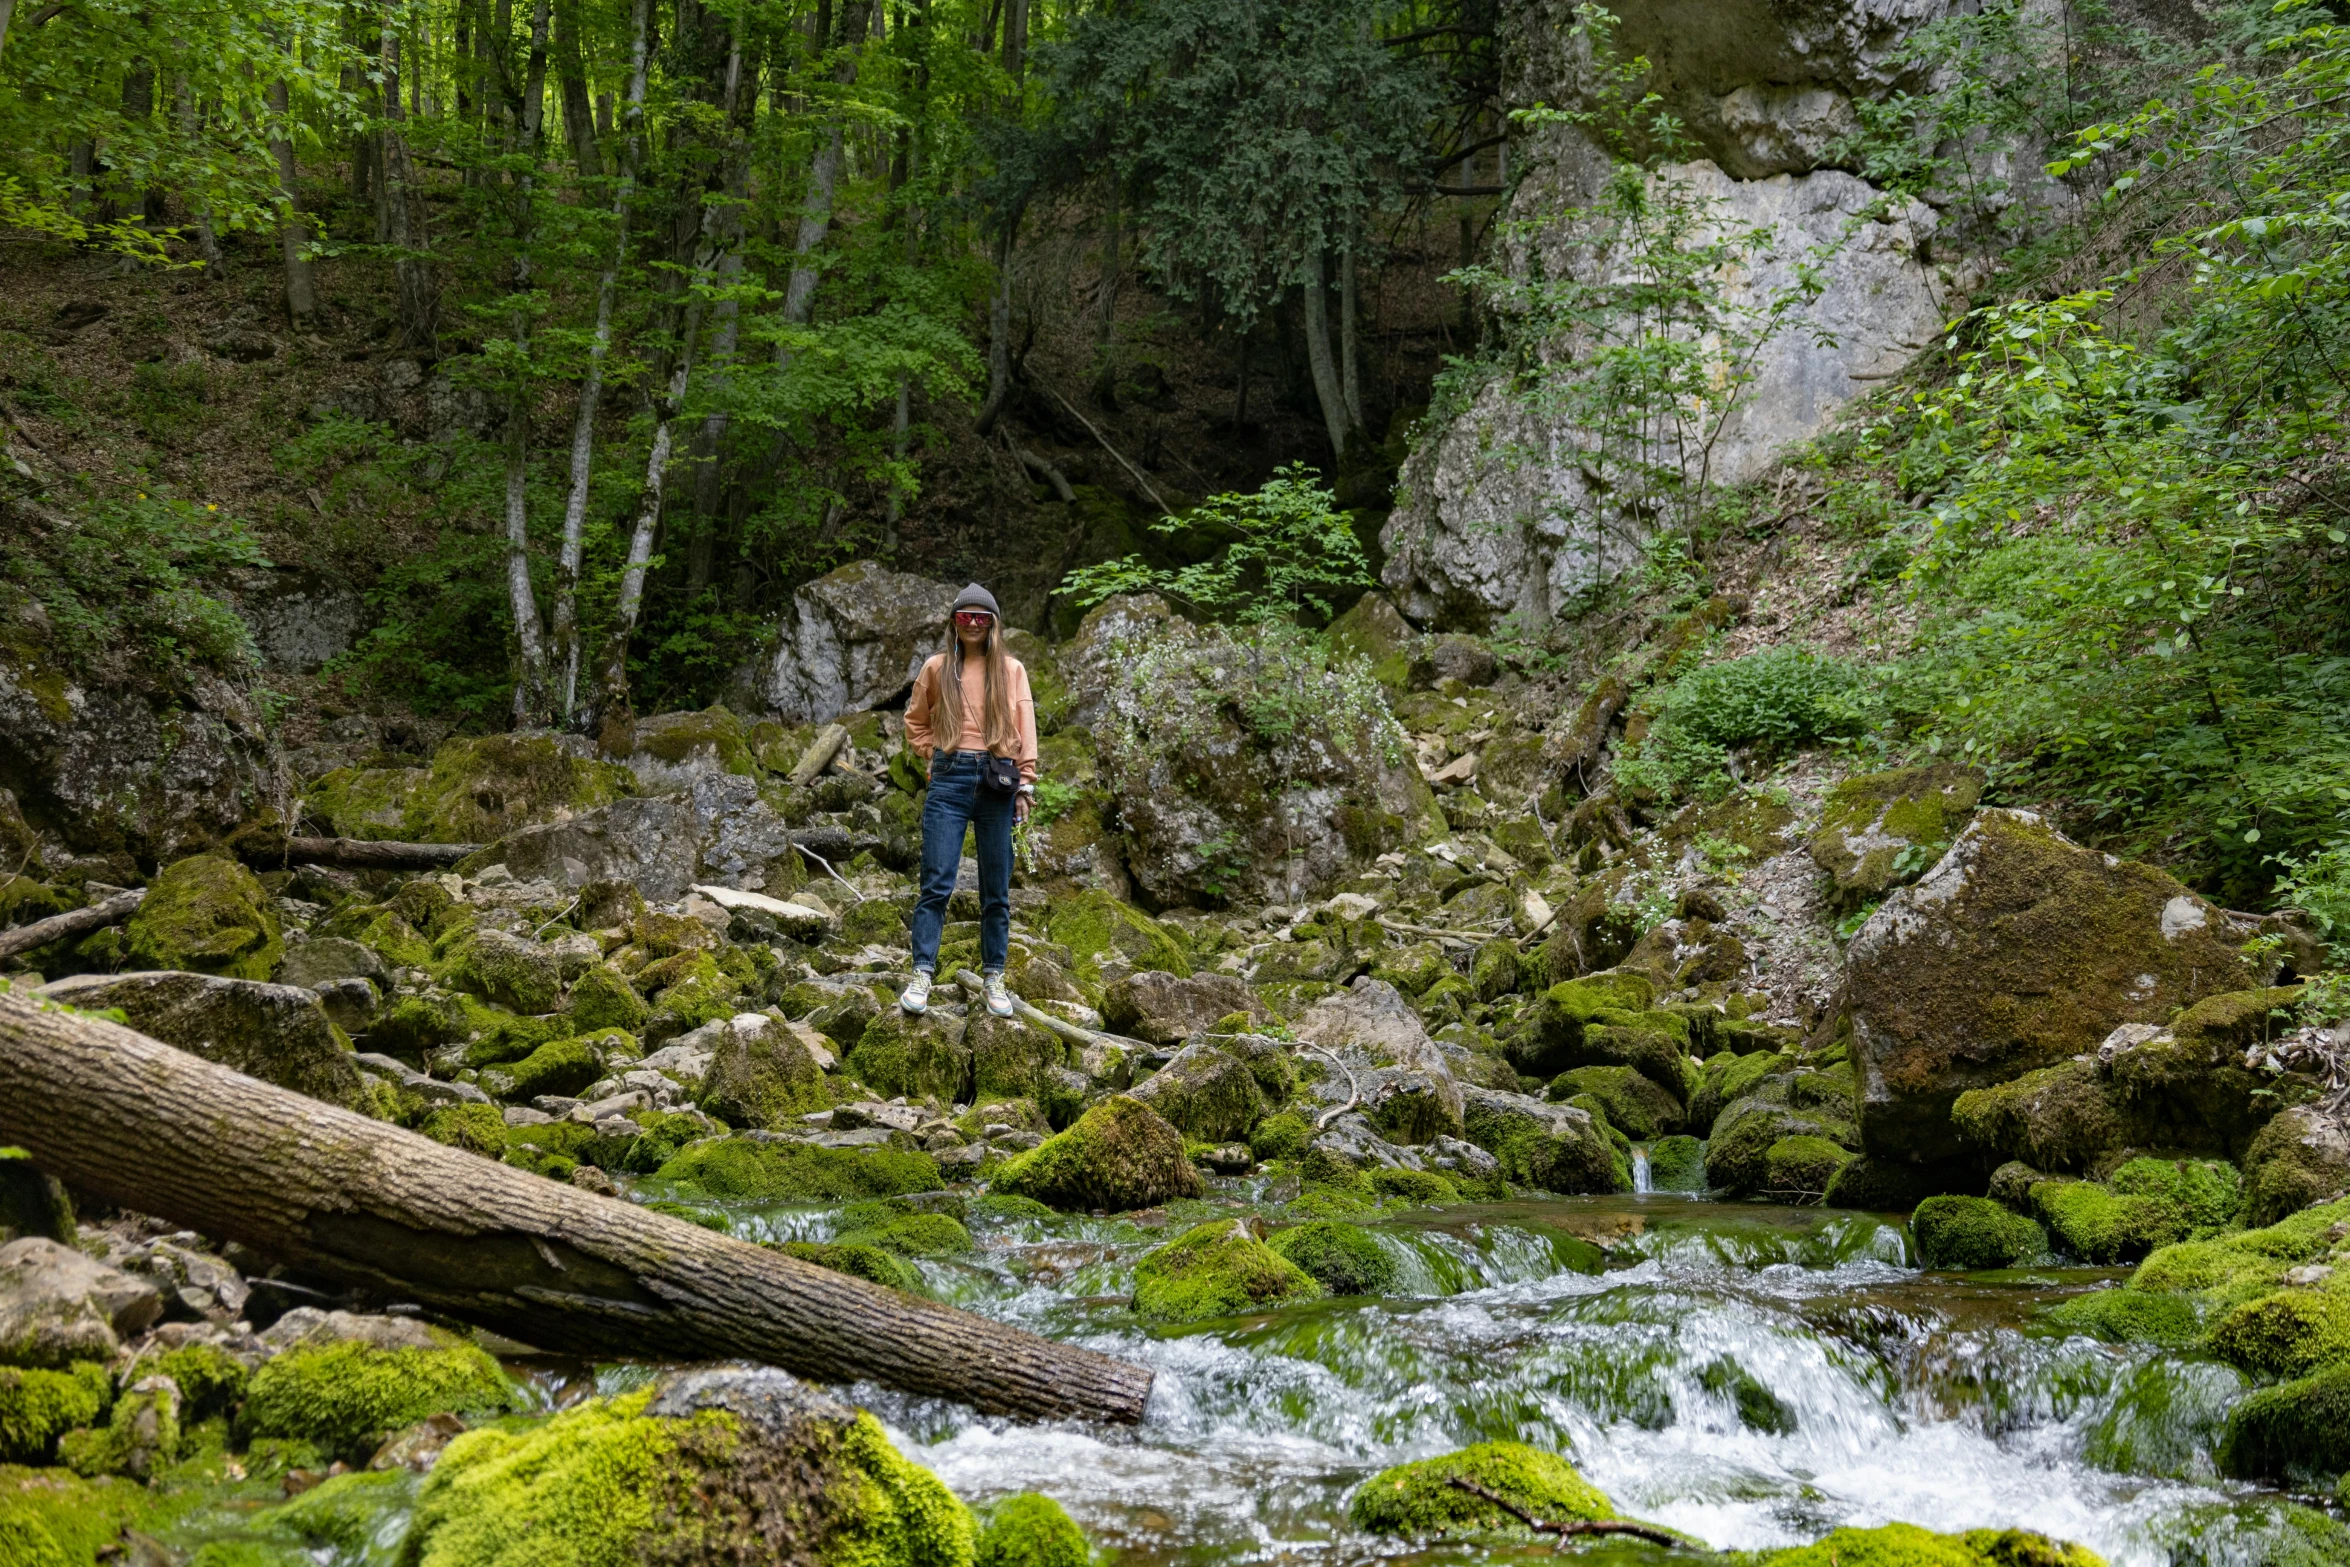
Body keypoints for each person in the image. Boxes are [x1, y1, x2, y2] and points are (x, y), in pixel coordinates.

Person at [898, 584, 1037, 1018]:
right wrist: (934, 755)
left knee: (996, 891)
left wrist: (1026, 784)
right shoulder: (937, 668)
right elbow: (915, 722)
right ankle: (922, 974)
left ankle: (994, 977)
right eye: (965, 617)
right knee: (937, 883)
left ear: (994, 624)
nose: (974, 624)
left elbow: (1025, 726)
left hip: (998, 781)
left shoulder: (1011, 670)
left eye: (982, 617)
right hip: (950, 779)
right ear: (953, 623)